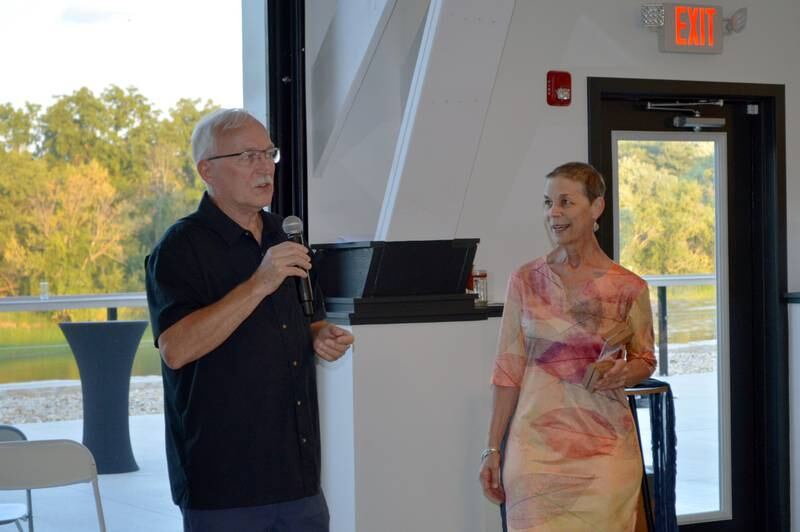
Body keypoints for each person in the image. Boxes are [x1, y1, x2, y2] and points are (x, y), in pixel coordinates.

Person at [145, 108, 354, 532]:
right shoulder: (180, 248)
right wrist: (260, 282)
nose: (264, 167)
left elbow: (302, 318)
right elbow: (176, 349)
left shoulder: (285, 234)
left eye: (268, 153)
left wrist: (318, 334)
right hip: (225, 489)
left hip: (300, 481)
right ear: (207, 170)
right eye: (246, 156)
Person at [478, 162, 656, 531]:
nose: (553, 213)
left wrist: (625, 371)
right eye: (548, 203)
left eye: (565, 202)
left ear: (597, 207)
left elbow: (645, 360)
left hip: (604, 453)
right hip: (534, 452)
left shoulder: (629, 288)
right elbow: (507, 371)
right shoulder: (525, 280)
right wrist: (492, 449)